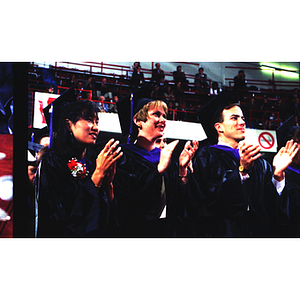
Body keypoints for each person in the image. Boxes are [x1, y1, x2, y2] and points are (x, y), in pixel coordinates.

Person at [186, 91, 298, 237]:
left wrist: (278, 175)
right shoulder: (207, 156)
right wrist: (242, 171)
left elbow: (272, 206)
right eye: (234, 118)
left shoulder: (258, 162)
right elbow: (209, 199)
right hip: (222, 234)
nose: (242, 122)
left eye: (243, 118)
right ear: (219, 127)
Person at [35, 92, 123, 237]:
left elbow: (108, 219)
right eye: (89, 120)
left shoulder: (92, 163)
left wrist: (108, 185)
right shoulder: (52, 162)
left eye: (97, 122)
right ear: (69, 125)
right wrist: (98, 175)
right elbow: (64, 217)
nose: (95, 127)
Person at [115, 92, 198, 237]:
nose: (162, 120)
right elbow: (124, 199)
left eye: (164, 116)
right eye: (156, 114)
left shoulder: (165, 158)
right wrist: (158, 171)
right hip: (134, 231)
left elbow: (179, 202)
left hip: (165, 231)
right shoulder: (123, 155)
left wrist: (182, 171)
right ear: (138, 121)